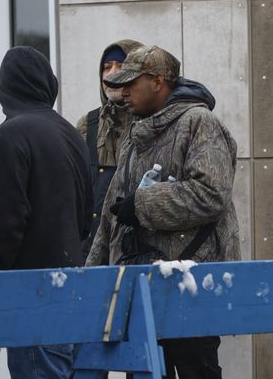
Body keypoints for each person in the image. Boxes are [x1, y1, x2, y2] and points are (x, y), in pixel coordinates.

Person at [85, 44, 241, 379]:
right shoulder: (137, 133)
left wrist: (141, 206)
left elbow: (211, 194)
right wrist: (93, 277)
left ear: (158, 81)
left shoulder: (199, 123)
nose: (122, 91)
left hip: (190, 290)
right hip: (140, 290)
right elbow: (112, 218)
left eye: (131, 83)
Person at [0, 46, 93, 378]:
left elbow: (5, 229)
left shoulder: (10, 136)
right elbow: (86, 217)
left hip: (32, 298)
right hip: (73, 295)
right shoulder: (71, 134)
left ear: (4, 86)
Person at [76, 39, 143, 259]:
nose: (111, 73)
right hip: (91, 250)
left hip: (135, 249)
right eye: (106, 67)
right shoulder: (88, 124)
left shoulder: (151, 123)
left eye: (120, 65)